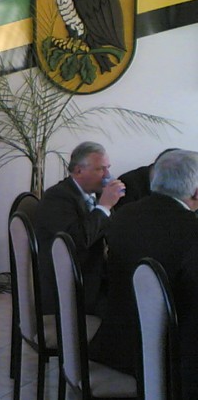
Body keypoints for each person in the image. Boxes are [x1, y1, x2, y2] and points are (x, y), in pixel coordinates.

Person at [89, 149, 198, 398]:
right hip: (169, 359)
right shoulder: (191, 231)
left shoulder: (122, 215)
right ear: (195, 192)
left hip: (116, 345)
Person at [34, 141, 125, 316]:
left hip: (98, 275)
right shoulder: (57, 198)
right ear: (78, 171)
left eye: (108, 168)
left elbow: (112, 233)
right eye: (100, 169)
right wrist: (104, 207)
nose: (108, 175)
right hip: (73, 285)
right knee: (128, 310)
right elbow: (77, 241)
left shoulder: (97, 194)